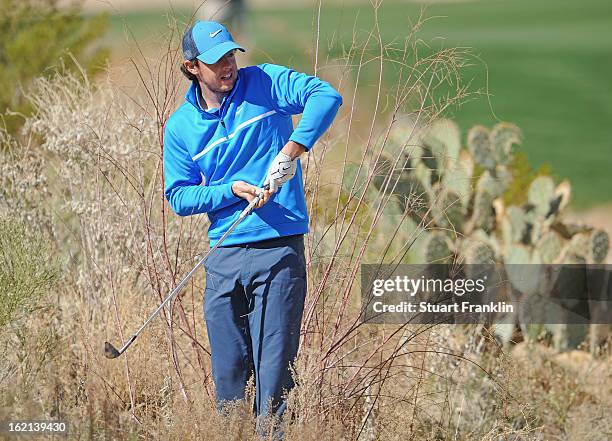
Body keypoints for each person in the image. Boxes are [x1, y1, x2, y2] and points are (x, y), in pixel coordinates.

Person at [163, 20, 342, 423]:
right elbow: (179, 196)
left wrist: (290, 153)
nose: (227, 65)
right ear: (192, 67)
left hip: (278, 248)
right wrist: (231, 190)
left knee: (274, 379)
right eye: (215, 60)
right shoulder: (179, 128)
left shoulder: (265, 83)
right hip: (223, 254)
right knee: (229, 380)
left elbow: (325, 95)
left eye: (230, 55)